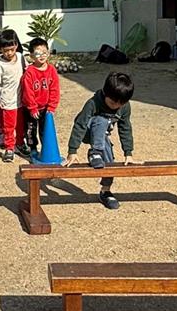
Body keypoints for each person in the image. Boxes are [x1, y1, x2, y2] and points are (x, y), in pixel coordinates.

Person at [63, 72, 136, 210]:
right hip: (88, 131)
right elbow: (80, 125)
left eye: (121, 103)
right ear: (105, 93)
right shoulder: (93, 103)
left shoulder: (124, 107)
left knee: (109, 162)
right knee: (101, 120)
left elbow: (125, 128)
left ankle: (105, 191)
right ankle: (94, 152)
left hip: (102, 137)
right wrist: (72, 151)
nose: (116, 106)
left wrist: (128, 153)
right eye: (113, 102)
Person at [0, 28, 28, 163]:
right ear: (0, 49)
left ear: (16, 45)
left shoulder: (21, 58)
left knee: (21, 125)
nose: (9, 53)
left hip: (21, 100)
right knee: (9, 127)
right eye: (6, 50)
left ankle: (20, 143)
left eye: (12, 49)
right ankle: (9, 148)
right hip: (7, 102)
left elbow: (28, 71)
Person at [22, 38, 61, 154]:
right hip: (31, 109)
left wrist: (52, 106)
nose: (42, 56)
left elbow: (55, 89)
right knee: (31, 130)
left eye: (44, 52)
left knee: (46, 130)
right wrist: (32, 108)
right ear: (31, 56)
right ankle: (33, 148)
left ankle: (46, 150)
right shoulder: (29, 72)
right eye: (38, 53)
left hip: (46, 108)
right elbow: (28, 92)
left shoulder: (51, 70)